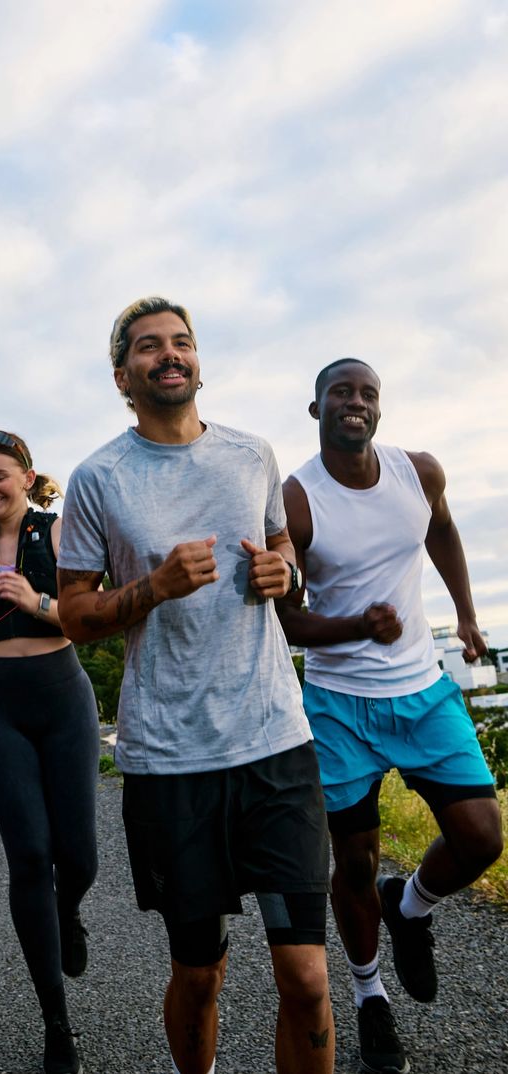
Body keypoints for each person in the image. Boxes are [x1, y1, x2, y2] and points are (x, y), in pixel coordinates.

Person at [56, 297, 335, 1074]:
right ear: (123, 375)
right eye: (150, 347)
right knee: (199, 972)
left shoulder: (252, 456)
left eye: (182, 343)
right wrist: (153, 587)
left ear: (199, 361)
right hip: (170, 760)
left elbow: (281, 547)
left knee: (307, 978)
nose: (170, 355)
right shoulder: (97, 479)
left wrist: (287, 573)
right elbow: (75, 613)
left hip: (275, 744)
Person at [276, 358, 503, 1074]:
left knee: (481, 838)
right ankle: (370, 995)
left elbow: (441, 531)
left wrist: (466, 615)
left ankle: (409, 906)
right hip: (341, 707)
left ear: (380, 409)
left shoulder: (419, 472)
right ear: (316, 410)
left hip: (424, 691)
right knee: (354, 862)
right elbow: (286, 620)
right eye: (340, 392)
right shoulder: (296, 501)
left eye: (367, 393)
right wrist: (353, 629)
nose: (355, 402)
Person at [0, 430, 99, 1074]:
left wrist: (36, 600)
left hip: (63, 697)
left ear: (27, 476)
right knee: (30, 854)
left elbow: (91, 616)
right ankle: (55, 1021)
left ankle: (69, 909)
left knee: (80, 857)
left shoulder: (63, 531)